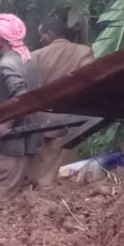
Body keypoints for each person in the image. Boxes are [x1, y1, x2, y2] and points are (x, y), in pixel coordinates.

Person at [0, 13, 43, 200]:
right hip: (31, 135)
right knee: (19, 188)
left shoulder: (7, 65)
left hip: (15, 139)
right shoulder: (29, 59)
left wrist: (6, 126)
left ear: (1, 39)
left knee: (1, 190)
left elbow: (21, 98)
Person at [26, 15, 95, 188]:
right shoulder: (84, 52)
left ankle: (32, 189)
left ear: (49, 35)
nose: (41, 39)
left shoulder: (35, 56)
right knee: (53, 159)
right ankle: (44, 190)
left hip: (36, 118)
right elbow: (92, 81)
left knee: (35, 158)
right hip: (67, 118)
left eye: (42, 35)